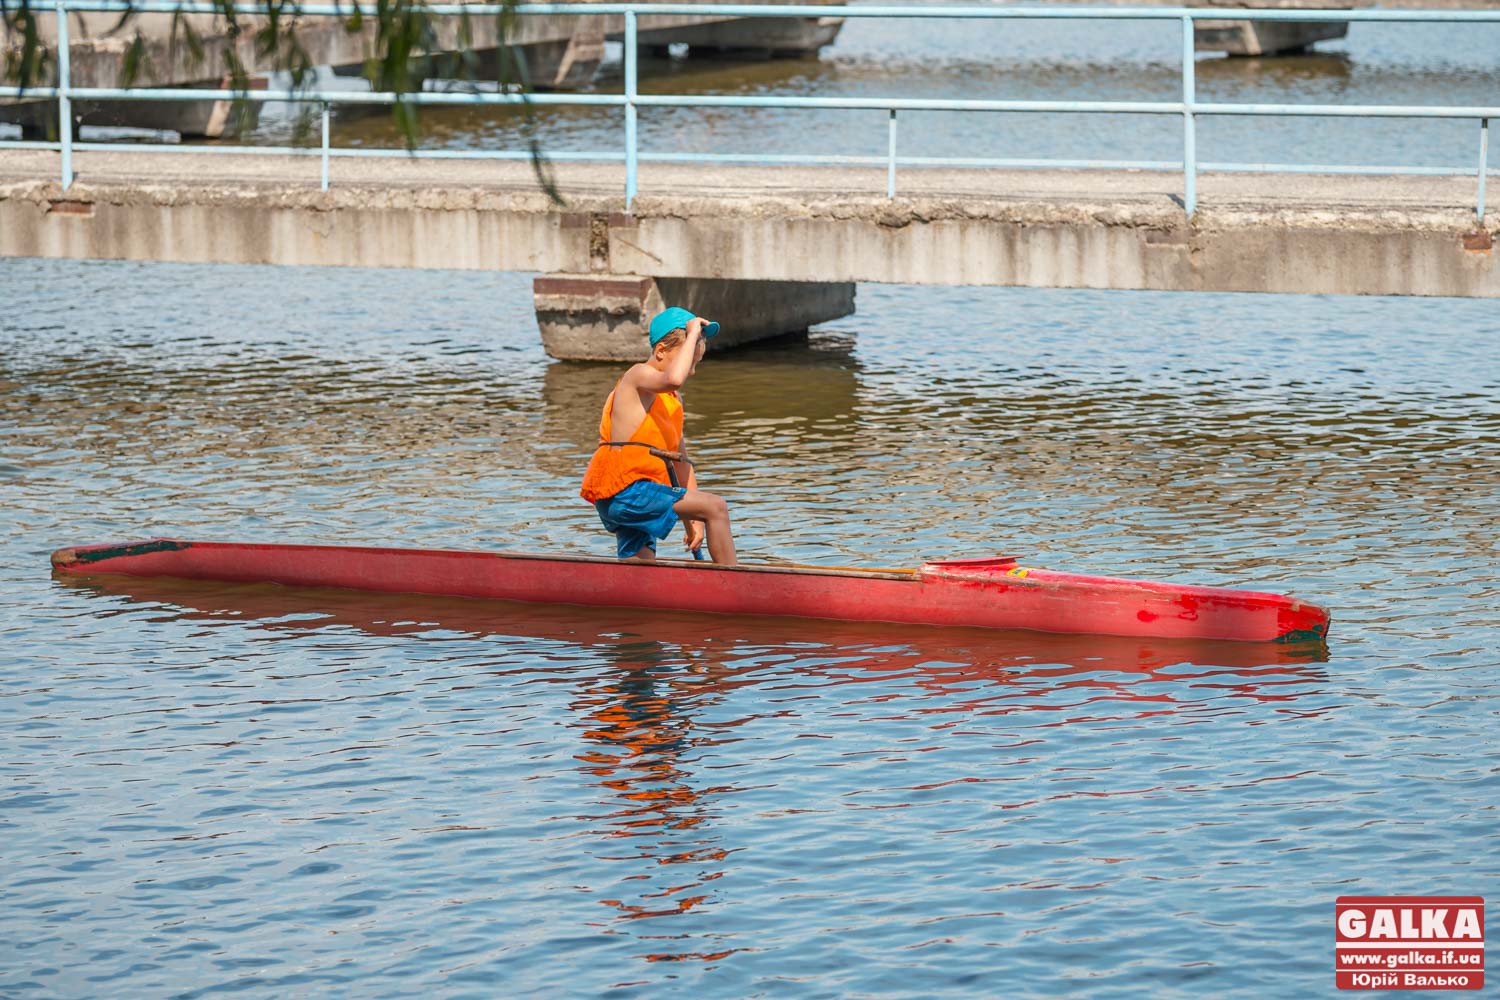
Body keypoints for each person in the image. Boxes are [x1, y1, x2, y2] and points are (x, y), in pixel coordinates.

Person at [580, 307, 738, 566]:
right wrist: (693, 331)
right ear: (661, 351)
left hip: (639, 493)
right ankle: (738, 588)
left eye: (695, 364)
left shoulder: (671, 401)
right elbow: (674, 378)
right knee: (716, 507)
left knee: (640, 567)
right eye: (689, 362)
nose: (692, 372)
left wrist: (694, 524)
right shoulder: (637, 375)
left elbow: (681, 464)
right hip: (626, 490)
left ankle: (635, 600)